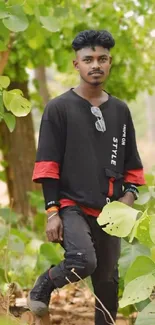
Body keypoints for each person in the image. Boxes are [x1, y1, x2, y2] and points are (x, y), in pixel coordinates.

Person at [28, 30, 145, 324]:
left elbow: (132, 166)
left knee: (107, 283)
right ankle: (45, 283)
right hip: (71, 205)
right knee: (83, 261)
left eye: (102, 59)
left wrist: (127, 200)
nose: (96, 64)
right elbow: (47, 166)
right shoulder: (58, 109)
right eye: (88, 59)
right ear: (75, 64)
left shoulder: (120, 110)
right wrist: (52, 211)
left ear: (110, 63)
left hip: (110, 210)